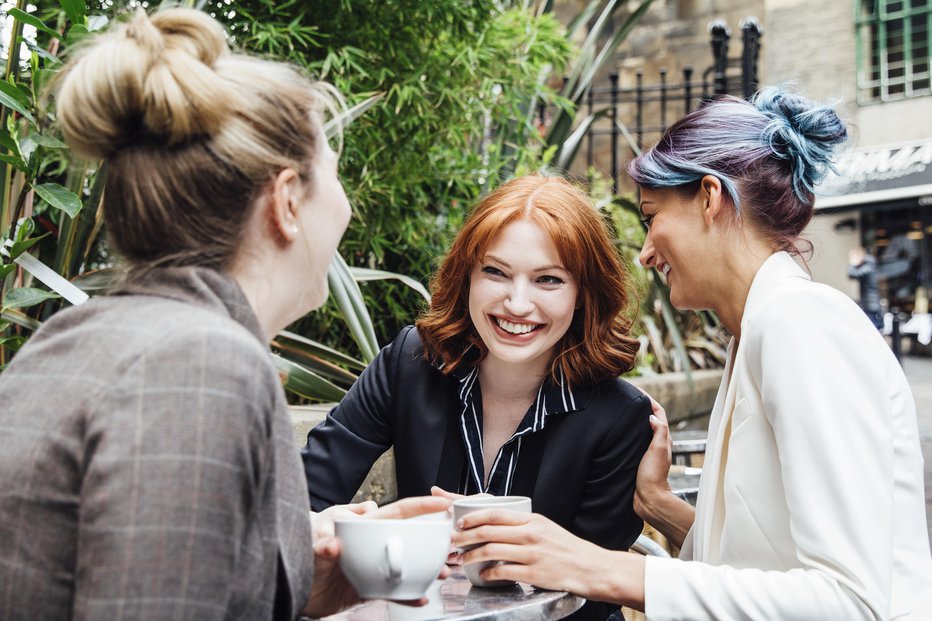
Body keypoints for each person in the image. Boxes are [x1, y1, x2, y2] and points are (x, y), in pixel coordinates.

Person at [0, 8, 448, 620]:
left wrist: (290, 572)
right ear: (287, 201)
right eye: (334, 177)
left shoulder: (71, 338)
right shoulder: (201, 364)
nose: (344, 209)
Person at [451, 87, 932, 619]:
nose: (646, 251)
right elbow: (762, 567)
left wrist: (596, 566)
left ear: (709, 198)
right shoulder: (755, 332)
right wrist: (658, 504)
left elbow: (852, 602)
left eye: (652, 215)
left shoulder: (801, 325)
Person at [302, 174, 653, 621]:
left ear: (584, 294)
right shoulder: (408, 364)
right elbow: (303, 495)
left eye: (548, 280)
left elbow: (593, 600)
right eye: (496, 272)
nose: (517, 303)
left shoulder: (620, 417)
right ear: (467, 274)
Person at [848, 245, 884, 329]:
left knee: (871, 332)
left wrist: (852, 262)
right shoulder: (869, 264)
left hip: (871, 306)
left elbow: (852, 274)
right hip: (870, 305)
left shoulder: (869, 265)